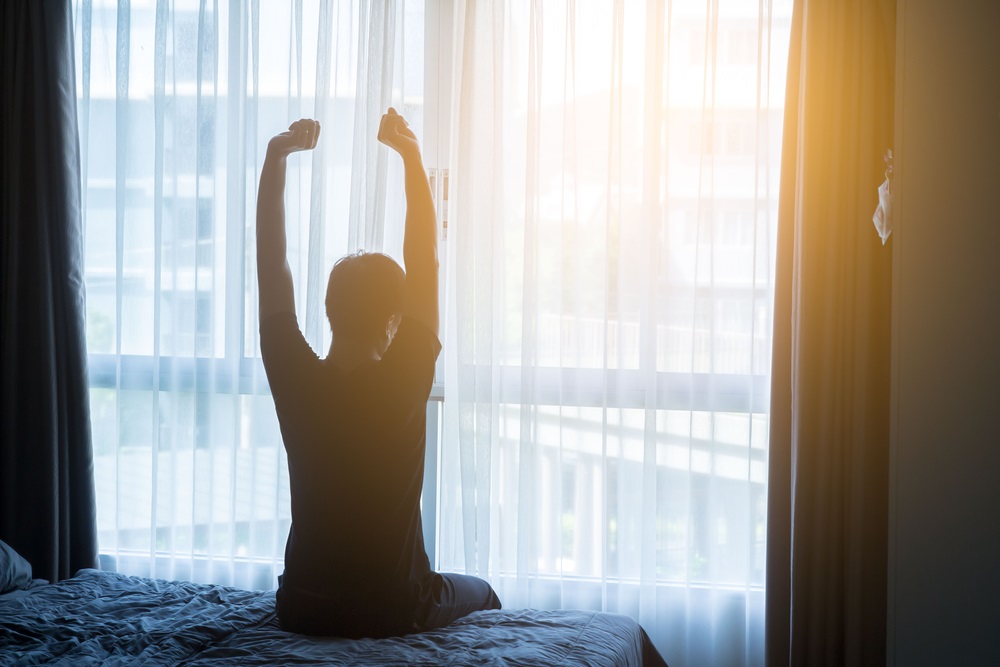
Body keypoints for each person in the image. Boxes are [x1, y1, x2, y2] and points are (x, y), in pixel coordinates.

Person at [256, 109, 501, 639]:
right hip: (389, 608)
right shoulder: (402, 378)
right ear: (393, 322)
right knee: (483, 592)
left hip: (300, 605)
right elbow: (426, 262)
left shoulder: (294, 375)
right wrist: (412, 157)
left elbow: (271, 266)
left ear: (329, 310)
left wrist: (275, 160)